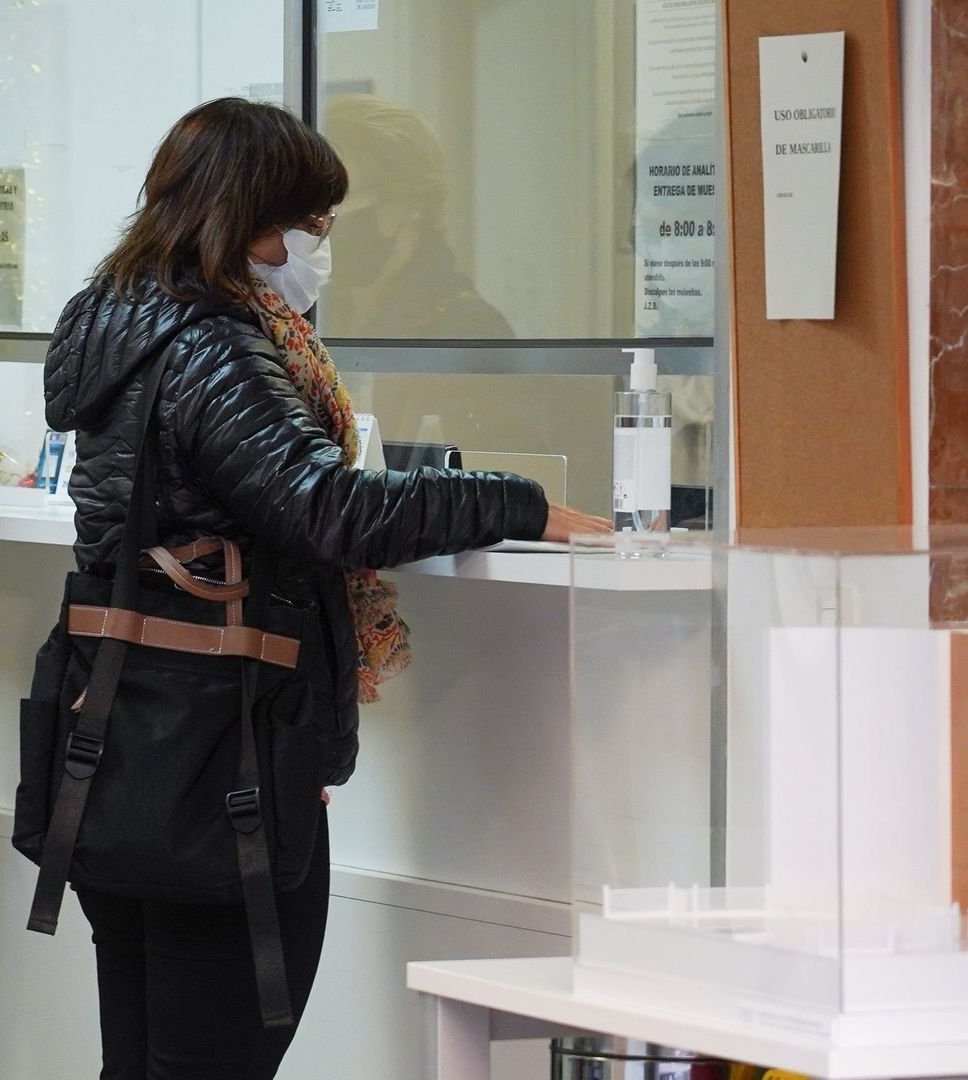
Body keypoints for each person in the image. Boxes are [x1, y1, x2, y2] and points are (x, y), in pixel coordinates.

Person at [43, 97, 609, 1079]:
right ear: (249, 218)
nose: (319, 243)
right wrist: (513, 502)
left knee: (139, 1058)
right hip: (219, 766)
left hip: (123, 747)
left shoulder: (116, 325)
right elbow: (327, 508)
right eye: (313, 222)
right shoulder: (210, 344)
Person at [318, 94, 513, 339]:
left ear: (412, 204)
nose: (325, 218)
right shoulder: (321, 312)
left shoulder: (468, 329)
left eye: (341, 197)